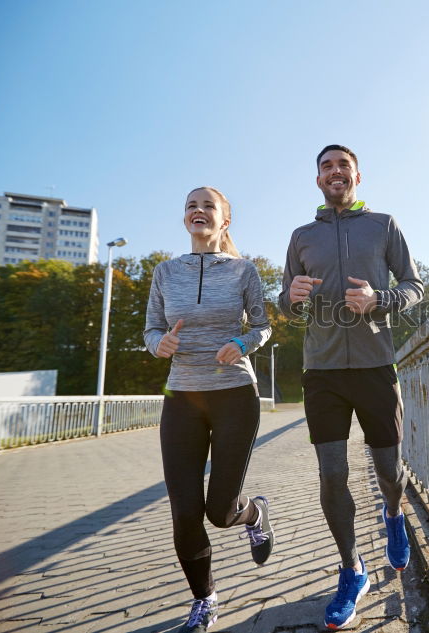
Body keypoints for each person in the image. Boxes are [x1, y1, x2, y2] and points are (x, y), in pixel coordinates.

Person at [279, 145, 424, 630]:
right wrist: (291, 297)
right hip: (321, 372)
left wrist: (378, 299)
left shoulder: (383, 225)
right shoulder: (301, 236)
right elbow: (285, 301)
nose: (334, 171)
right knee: (331, 473)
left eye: (342, 165)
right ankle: (351, 568)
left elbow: (414, 286)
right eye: (326, 166)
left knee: (388, 468)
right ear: (317, 179)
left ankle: (392, 513)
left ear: (357, 175)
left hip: (375, 364)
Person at [144, 186, 275, 633]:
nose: (197, 211)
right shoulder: (164, 271)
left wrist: (241, 342)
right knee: (184, 511)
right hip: (181, 397)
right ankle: (205, 600)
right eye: (190, 206)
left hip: (234, 395)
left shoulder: (244, 271)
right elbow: (151, 329)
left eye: (207, 206)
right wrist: (158, 345)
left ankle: (253, 513)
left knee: (220, 512)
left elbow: (262, 326)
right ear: (185, 219)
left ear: (224, 221)